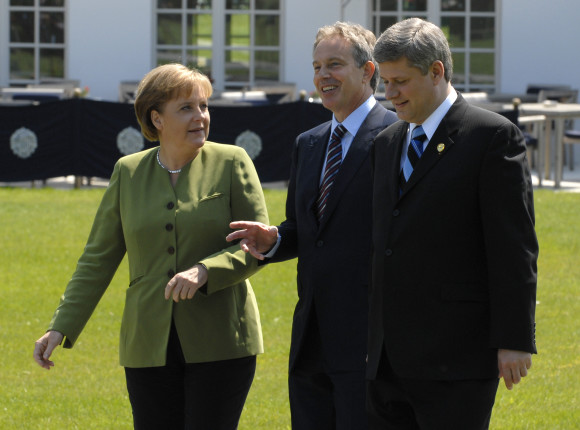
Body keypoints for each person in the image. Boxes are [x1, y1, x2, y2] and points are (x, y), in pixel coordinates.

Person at [33, 63, 269, 430]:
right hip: (146, 343)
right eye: (187, 108)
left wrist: (207, 270)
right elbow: (97, 259)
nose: (201, 117)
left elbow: (254, 246)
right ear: (156, 118)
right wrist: (60, 326)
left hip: (222, 338)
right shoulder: (127, 172)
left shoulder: (232, 162)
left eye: (204, 106)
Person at [366, 18, 538, 429]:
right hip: (386, 361)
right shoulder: (387, 143)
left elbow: (513, 248)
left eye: (400, 81)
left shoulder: (492, 137)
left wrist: (514, 340)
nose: (389, 95)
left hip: (456, 359)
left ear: (437, 71)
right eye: (384, 82)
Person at [226, 22, 398, 429]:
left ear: (368, 71)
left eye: (335, 65)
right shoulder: (309, 142)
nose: (323, 76)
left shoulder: (397, 136)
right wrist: (274, 241)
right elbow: (306, 232)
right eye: (317, 66)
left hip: (370, 337)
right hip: (311, 336)